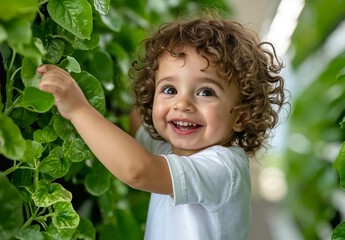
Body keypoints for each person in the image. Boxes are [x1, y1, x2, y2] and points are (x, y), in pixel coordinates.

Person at [37, 15, 287, 240]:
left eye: (206, 91)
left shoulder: (224, 168)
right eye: (169, 89)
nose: (182, 103)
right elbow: (137, 127)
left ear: (241, 117)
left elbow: (137, 170)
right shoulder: (169, 148)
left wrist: (80, 110)